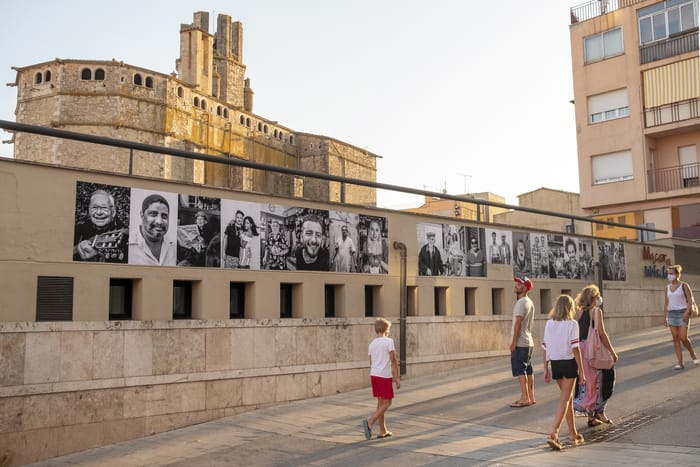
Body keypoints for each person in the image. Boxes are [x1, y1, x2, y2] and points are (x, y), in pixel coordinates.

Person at [542, 294, 586, 450]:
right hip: (568, 363)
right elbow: (575, 348)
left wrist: (545, 368)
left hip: (555, 364)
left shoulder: (549, 324)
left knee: (567, 398)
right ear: (570, 308)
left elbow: (545, 347)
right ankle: (554, 433)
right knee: (565, 400)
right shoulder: (572, 324)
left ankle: (573, 434)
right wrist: (582, 370)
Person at [573, 284, 618, 426]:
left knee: (589, 384)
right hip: (593, 351)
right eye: (597, 295)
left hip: (581, 350)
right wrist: (612, 351)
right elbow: (602, 333)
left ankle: (591, 417)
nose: (599, 298)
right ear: (593, 298)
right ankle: (600, 412)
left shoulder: (578, 312)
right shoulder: (596, 311)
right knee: (604, 380)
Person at [363, 318, 400, 440]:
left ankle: (382, 430)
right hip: (384, 375)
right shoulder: (388, 341)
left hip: (374, 374)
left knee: (380, 403)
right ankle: (370, 422)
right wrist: (397, 377)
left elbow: (371, 361)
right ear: (386, 329)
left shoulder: (372, 344)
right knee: (388, 402)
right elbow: (393, 360)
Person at [73, 189, 128, 262]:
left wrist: (99, 258)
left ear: (113, 211)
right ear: (89, 210)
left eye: (104, 208)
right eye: (94, 208)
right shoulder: (78, 230)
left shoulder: (126, 234)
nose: (99, 212)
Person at [664, 265, 699, 369]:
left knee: (683, 338)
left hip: (682, 313)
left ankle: (693, 354)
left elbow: (690, 300)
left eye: (671, 273)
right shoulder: (666, 288)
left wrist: (686, 312)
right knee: (675, 339)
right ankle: (680, 362)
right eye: (668, 273)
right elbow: (666, 303)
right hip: (671, 314)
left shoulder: (684, 286)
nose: (669, 275)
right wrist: (665, 317)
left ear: (677, 274)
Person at [509, 276, 536, 407]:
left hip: (521, 342)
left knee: (521, 370)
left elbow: (518, 324)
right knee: (528, 369)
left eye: (519, 284)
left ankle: (524, 397)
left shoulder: (521, 303)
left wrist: (514, 342)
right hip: (528, 341)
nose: (516, 285)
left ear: (524, 288)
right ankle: (531, 396)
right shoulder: (529, 302)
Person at [128, 194, 176, 266]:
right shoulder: (128, 245)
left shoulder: (174, 247)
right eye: (153, 214)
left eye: (164, 216)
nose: (159, 221)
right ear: (142, 215)